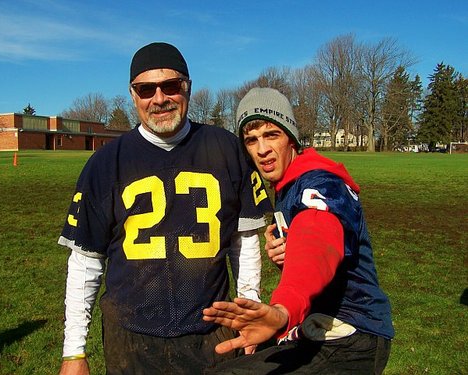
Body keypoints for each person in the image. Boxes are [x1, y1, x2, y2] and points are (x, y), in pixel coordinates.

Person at [58, 43, 272, 375]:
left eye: (171, 86)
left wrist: (248, 308)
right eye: (147, 89)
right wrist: (74, 352)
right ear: (133, 95)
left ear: (188, 88)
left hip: (211, 332)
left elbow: (243, 243)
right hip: (131, 336)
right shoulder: (105, 164)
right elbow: (85, 263)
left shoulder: (226, 149)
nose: (160, 98)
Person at [203, 87, 394, 374]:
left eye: (271, 135)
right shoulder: (289, 185)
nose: (262, 149)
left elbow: (318, 238)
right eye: (251, 140)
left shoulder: (320, 182)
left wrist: (282, 310)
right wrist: (287, 255)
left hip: (353, 334)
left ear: (291, 138)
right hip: (318, 326)